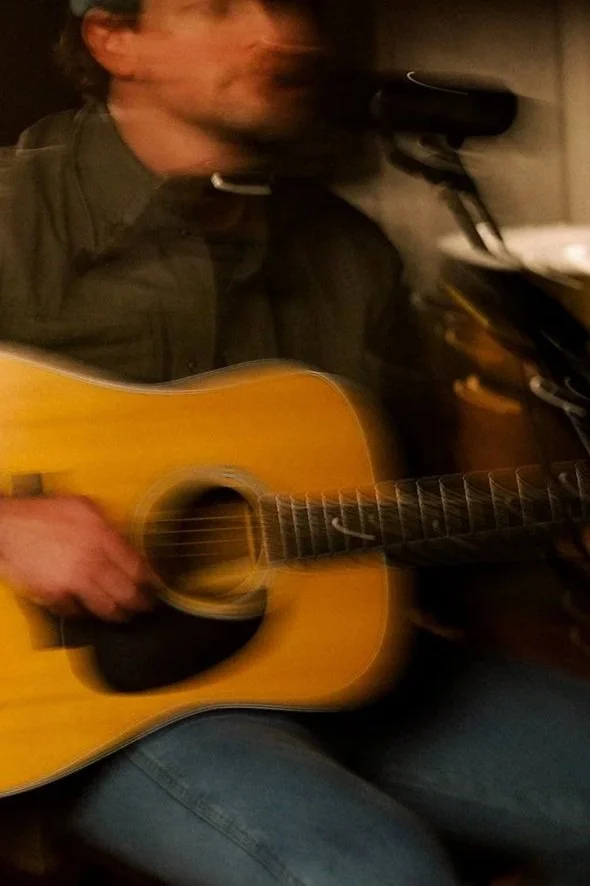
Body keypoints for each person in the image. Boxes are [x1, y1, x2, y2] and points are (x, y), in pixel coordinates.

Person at [0, 1, 590, 884]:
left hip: (343, 662)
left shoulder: (350, 253)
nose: (277, 33)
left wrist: (549, 530)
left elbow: (420, 508)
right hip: (103, 709)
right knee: (371, 869)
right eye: (219, 6)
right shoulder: (13, 216)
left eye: (287, 3)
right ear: (114, 40)